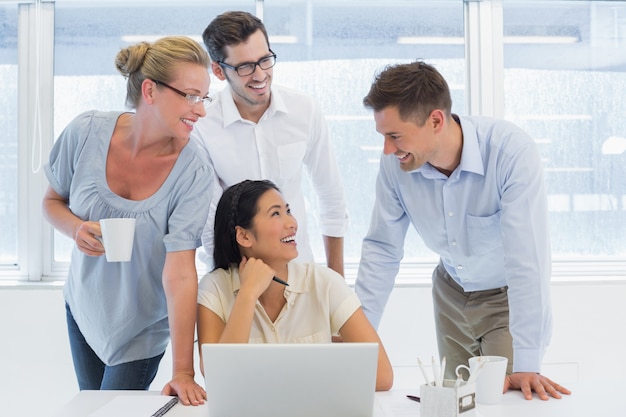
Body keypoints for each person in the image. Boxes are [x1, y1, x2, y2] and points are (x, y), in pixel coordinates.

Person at [354, 61, 571, 400]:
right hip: (450, 291)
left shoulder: (510, 152)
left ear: (436, 120)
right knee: (455, 402)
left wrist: (528, 360)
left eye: (394, 136)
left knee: (502, 400)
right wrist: (357, 339)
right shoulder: (396, 164)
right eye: (383, 136)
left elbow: (526, 259)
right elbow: (382, 248)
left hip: (505, 299)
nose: (387, 149)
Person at [42, 36, 213, 405]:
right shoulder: (84, 132)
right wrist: (75, 228)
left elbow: (182, 271)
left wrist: (183, 371)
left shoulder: (194, 171)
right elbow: (52, 201)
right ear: (150, 90)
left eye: (204, 98)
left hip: (141, 327)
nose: (200, 110)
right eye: (190, 96)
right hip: (84, 309)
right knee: (91, 409)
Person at [196, 180, 393, 391]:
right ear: (244, 236)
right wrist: (247, 294)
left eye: (288, 211)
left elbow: (381, 376)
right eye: (276, 214)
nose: (292, 223)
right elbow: (219, 380)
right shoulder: (214, 289)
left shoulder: (325, 283)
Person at [192, 11, 348, 275]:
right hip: (238, 276)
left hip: (300, 272)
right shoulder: (202, 125)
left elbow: (331, 196)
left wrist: (336, 281)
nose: (260, 75)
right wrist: (232, 285)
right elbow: (211, 222)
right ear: (219, 71)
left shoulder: (304, 109)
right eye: (245, 67)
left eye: (265, 60)